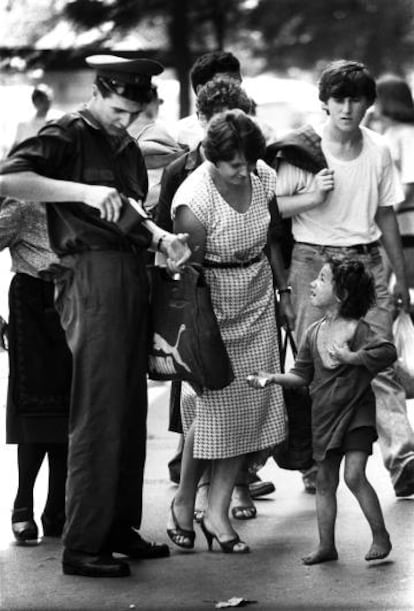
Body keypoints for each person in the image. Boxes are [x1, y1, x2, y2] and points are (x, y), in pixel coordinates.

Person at [0, 55, 191, 578]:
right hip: (88, 275)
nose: (125, 120)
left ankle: (117, 527)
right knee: (99, 411)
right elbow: (9, 178)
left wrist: (160, 238)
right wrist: (81, 191)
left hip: (131, 269)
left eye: (134, 112)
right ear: (98, 92)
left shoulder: (123, 142)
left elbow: (128, 206)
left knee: (130, 412)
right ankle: (83, 544)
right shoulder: (66, 132)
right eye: (118, 109)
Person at [274, 59, 414, 498]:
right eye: (339, 99)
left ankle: (403, 460)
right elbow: (273, 208)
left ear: (369, 103)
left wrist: (401, 278)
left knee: (381, 363)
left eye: (356, 99)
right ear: (325, 102)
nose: (347, 108)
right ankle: (317, 463)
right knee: (318, 367)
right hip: (312, 262)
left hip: (366, 261)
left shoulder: (378, 149)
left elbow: (386, 212)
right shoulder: (301, 149)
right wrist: (314, 194)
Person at [158, 77, 282, 517]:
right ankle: (186, 499)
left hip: (257, 299)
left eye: (250, 163)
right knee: (211, 411)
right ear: (212, 158)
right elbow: (187, 278)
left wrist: (280, 291)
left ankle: (218, 507)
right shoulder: (193, 199)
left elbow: (272, 238)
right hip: (212, 307)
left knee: (249, 408)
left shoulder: (263, 175)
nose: (245, 171)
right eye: (235, 165)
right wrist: (200, 336)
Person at [248, 257, 396, 565]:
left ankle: (380, 535)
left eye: (322, 279)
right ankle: (326, 545)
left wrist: (354, 358)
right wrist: (273, 378)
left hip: (356, 415)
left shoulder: (359, 331)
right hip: (325, 419)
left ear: (341, 295)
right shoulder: (313, 333)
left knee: (354, 476)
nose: (312, 284)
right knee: (325, 483)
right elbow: (302, 375)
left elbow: (386, 352)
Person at [0, 197, 70, 545]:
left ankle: (57, 507)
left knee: (71, 409)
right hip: (33, 298)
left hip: (75, 299)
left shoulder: (82, 191)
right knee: (35, 409)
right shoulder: (23, 201)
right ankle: (23, 505)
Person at [128, 84, 183, 212]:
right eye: (158, 102)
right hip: (160, 206)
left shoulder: (115, 134)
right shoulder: (165, 131)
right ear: (152, 103)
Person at [172, 50, 242, 150]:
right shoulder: (177, 135)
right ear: (201, 91)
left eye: (238, 85)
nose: (235, 92)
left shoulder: (253, 130)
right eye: (224, 86)